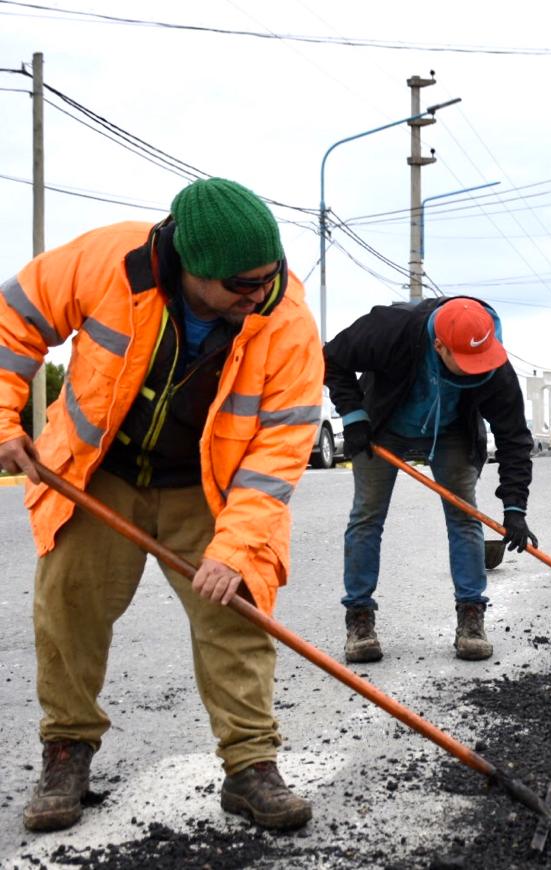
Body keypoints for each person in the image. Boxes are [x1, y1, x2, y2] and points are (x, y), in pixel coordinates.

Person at [0, 178, 324, 832]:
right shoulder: (105, 262)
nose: (258, 292)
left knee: (236, 613)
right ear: (189, 265)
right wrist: (5, 419)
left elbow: (280, 446)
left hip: (210, 488)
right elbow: (12, 324)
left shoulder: (285, 319)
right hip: (100, 472)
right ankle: (67, 750)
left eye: (269, 276)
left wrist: (233, 550)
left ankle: (250, 765)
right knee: (67, 608)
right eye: (241, 283)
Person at [324, 296, 535, 665]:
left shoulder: (493, 363)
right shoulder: (390, 330)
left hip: (451, 431)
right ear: (438, 345)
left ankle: (471, 617)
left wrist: (514, 507)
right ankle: (359, 618)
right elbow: (332, 358)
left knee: (464, 517)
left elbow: (513, 436)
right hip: (383, 426)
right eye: (464, 363)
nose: (474, 370)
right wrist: (354, 415)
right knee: (367, 516)